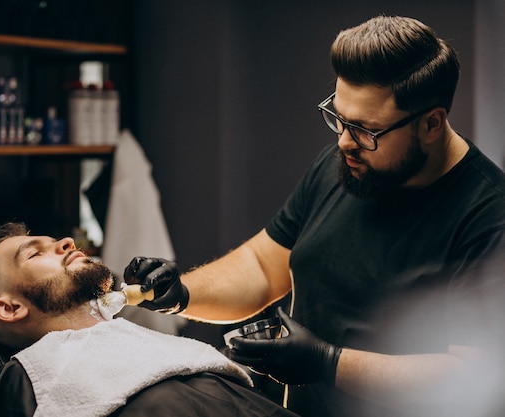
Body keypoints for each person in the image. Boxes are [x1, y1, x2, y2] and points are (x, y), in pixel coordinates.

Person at [121, 15, 505, 417]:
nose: (343, 141)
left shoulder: (488, 217)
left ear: (431, 123)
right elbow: (262, 268)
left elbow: (473, 376)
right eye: (338, 118)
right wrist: (180, 294)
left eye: (364, 130)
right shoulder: (345, 166)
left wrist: (327, 362)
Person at [0, 222, 300, 417]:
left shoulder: (143, 358)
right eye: (36, 252)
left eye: (55, 240)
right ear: (10, 309)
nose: (67, 241)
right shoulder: (35, 387)